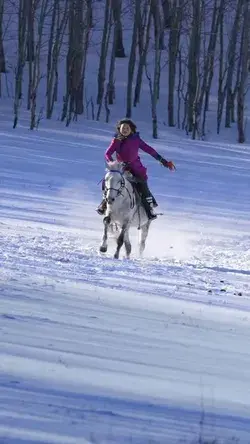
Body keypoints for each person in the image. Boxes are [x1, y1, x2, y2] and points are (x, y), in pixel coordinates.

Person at [96, 118, 176, 220]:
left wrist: (163, 161)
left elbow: (149, 150)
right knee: (107, 181)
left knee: (143, 186)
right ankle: (104, 204)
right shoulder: (116, 140)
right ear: (119, 130)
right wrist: (113, 164)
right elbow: (107, 153)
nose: (125, 130)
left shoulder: (136, 139)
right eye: (122, 128)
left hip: (136, 169)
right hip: (121, 169)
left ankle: (149, 210)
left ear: (131, 129)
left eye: (127, 128)